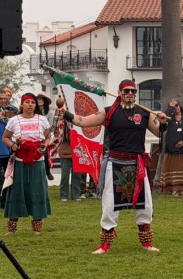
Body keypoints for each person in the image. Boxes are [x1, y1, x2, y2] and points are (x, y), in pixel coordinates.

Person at [72, 80, 170, 253]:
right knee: (109, 204)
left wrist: (162, 122)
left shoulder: (143, 113)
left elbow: (158, 132)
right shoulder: (109, 112)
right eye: (127, 91)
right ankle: (105, 245)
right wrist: (64, 113)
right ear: (119, 92)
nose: (130, 94)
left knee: (145, 204)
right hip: (115, 163)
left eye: (133, 91)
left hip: (137, 164)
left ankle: (147, 243)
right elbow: (83, 121)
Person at [2, 93, 52, 234]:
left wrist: (45, 146)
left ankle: (37, 226)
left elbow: (47, 137)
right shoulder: (14, 120)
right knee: (17, 191)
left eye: (33, 102)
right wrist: (13, 146)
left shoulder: (42, 119)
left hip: (37, 160)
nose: (30, 104)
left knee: (37, 191)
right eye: (27, 102)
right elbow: (5, 137)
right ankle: (12, 227)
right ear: (22, 105)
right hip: (20, 160)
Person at [160, 100, 183, 196]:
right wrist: (170, 109)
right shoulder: (168, 118)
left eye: (177, 105)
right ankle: (174, 190)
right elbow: (163, 121)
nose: (176, 107)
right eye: (174, 106)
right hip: (171, 149)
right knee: (173, 170)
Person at [37, 93, 56, 181]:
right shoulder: (33, 112)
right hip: (34, 135)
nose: (39, 101)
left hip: (44, 136)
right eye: (38, 99)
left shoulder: (49, 113)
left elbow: (50, 125)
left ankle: (47, 171)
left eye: (41, 99)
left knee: (45, 154)